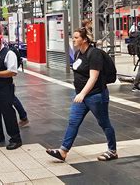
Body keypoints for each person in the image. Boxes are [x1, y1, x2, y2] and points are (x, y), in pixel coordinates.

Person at [46, 28, 117, 162]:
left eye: (76, 37)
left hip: (95, 96)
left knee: (104, 123)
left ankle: (112, 150)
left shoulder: (94, 54)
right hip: (81, 96)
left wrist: (83, 93)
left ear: (84, 39)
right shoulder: (79, 53)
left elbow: (93, 78)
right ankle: (63, 151)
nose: (74, 40)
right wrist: (80, 93)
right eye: (73, 37)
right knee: (73, 122)